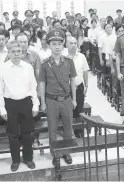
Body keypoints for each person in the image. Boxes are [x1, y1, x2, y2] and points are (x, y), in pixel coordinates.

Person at [0, 40, 39, 172]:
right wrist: (2, 108)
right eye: (13, 51)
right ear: (8, 53)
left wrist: (35, 105)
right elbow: (0, 91)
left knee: (28, 133)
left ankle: (28, 158)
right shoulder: (2, 69)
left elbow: (33, 87)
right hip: (10, 104)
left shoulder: (28, 67)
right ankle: (15, 160)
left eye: (18, 51)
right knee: (13, 134)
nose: (16, 54)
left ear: (22, 52)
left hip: (26, 102)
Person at [39, 29, 77, 165]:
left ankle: (67, 152)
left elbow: (72, 80)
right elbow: (42, 83)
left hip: (66, 99)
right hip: (51, 100)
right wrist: (42, 102)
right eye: (54, 44)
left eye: (59, 44)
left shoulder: (69, 62)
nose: (57, 47)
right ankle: (55, 153)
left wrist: (74, 99)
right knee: (52, 129)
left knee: (68, 127)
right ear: (49, 45)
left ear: (63, 45)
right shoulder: (44, 64)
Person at [63, 37, 89, 138]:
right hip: (66, 88)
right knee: (67, 112)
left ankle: (79, 131)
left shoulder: (81, 56)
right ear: (66, 45)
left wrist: (86, 85)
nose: (73, 45)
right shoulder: (63, 57)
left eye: (75, 43)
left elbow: (85, 71)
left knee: (79, 110)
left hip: (79, 87)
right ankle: (68, 132)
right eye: (71, 43)